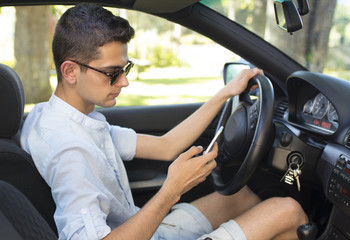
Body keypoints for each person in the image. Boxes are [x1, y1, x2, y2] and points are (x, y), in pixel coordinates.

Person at [20, 3, 308, 240]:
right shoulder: (70, 151)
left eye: (126, 68)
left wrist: (225, 93)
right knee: (288, 211)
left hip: (145, 231)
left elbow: (166, 146)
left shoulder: (54, 116)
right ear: (70, 71)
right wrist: (173, 189)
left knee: (238, 197)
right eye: (112, 72)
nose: (125, 81)